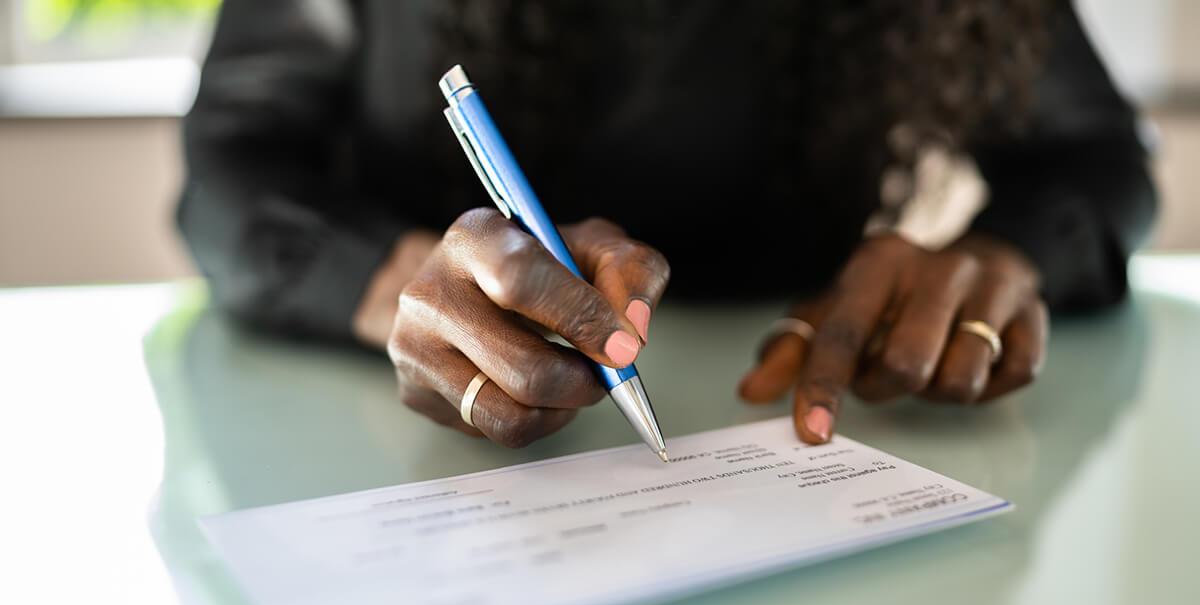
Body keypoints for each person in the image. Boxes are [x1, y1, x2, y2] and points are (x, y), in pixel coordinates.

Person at [177, 0, 1156, 448]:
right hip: (386, 447)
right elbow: (230, 163)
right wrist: (406, 289)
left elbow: (1099, 156)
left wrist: (1000, 254)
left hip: (791, 397)